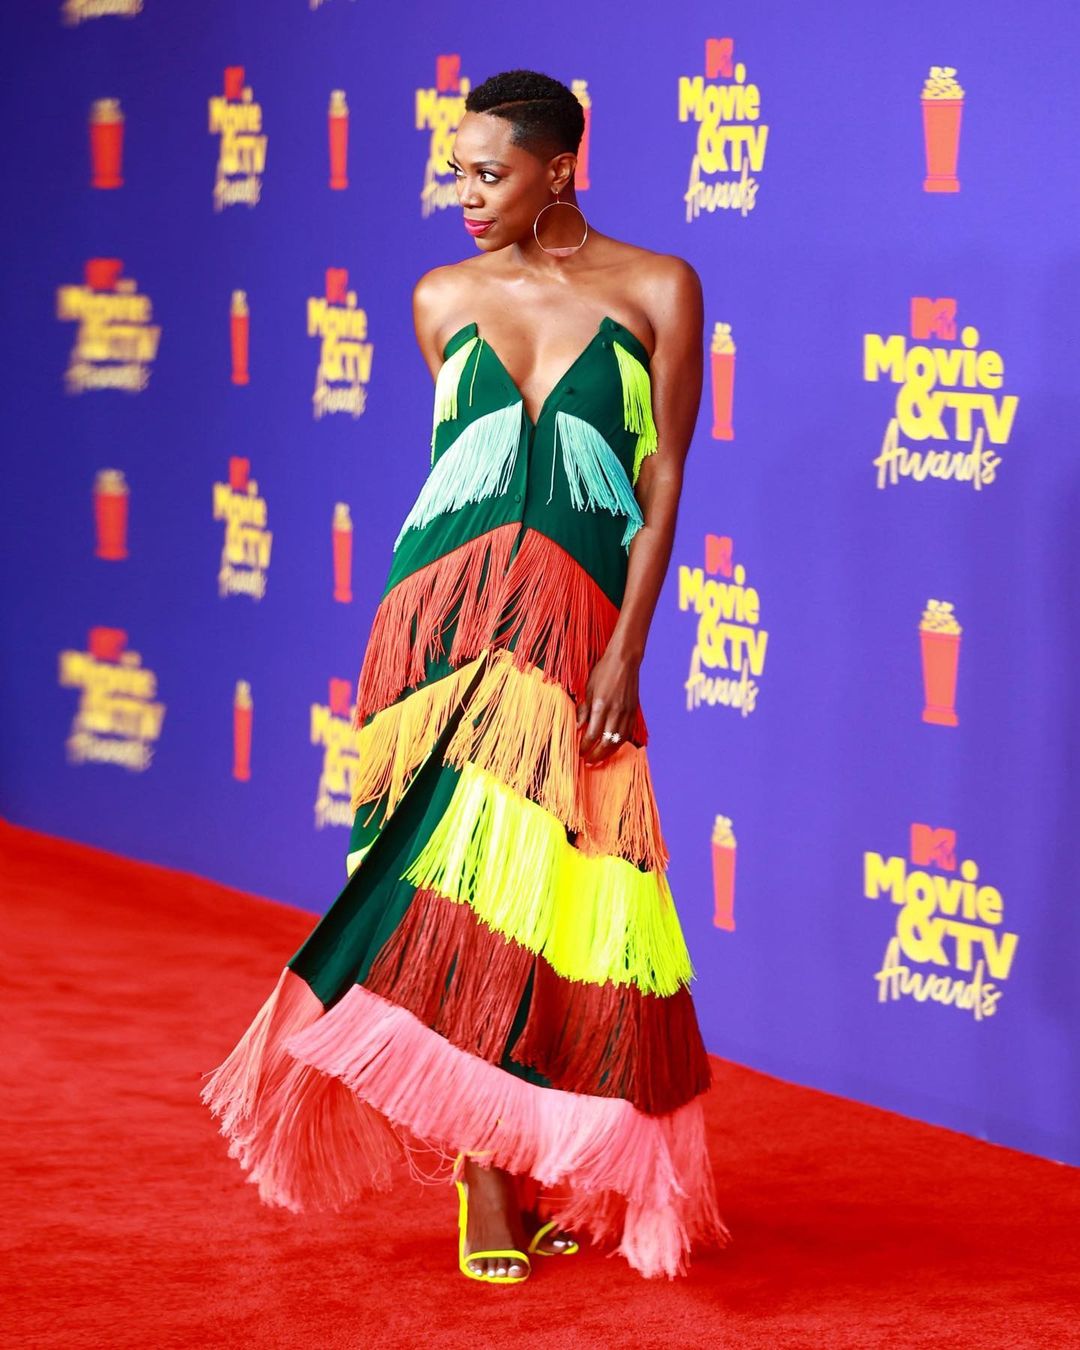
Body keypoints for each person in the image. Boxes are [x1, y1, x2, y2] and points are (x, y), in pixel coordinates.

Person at [200, 67, 732, 1285]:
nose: (467, 196)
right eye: (457, 173)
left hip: (579, 626)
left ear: (562, 168)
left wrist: (627, 648)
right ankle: (483, 1174)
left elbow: (662, 481)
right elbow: (457, 480)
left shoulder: (660, 287)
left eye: (491, 174)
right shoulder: (440, 298)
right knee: (448, 887)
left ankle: (530, 1148)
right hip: (437, 633)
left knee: (558, 890)